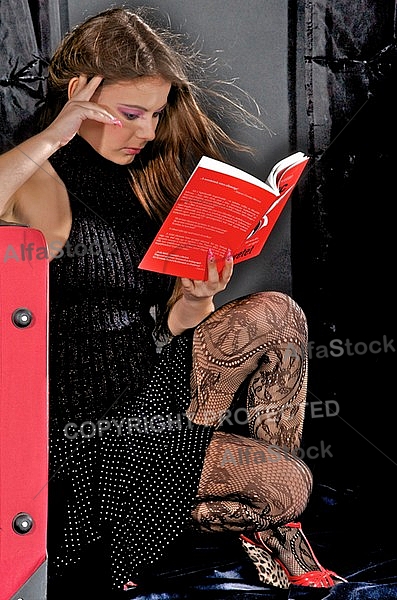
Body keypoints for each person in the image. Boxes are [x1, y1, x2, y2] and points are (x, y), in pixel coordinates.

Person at [0, 6, 346, 597]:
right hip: (91, 431)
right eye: (130, 114)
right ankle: (125, 528)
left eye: (156, 115)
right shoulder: (38, 178)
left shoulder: (135, 177)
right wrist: (56, 134)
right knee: (286, 483)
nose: (148, 133)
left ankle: (277, 532)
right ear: (77, 96)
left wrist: (193, 301)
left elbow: (162, 325)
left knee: (279, 315)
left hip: (149, 385)